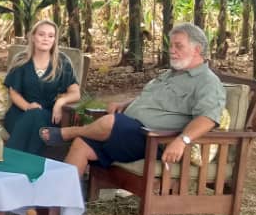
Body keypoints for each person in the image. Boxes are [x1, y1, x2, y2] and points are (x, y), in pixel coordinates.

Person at [40, 23, 227, 182]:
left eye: (179, 46)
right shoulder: (171, 74)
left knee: (111, 121)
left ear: (197, 49)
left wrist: (182, 140)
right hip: (129, 134)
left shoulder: (207, 81)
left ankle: (68, 133)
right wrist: (127, 103)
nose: (172, 50)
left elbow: (208, 118)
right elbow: (152, 99)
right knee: (82, 145)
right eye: (171, 46)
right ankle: (61, 206)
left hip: (154, 140)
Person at [2, 20, 81, 155]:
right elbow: (14, 93)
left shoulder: (62, 62)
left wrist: (60, 102)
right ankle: (30, 166)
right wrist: (28, 106)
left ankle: (9, 160)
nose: (46, 39)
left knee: (36, 117)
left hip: (49, 115)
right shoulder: (21, 60)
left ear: (55, 40)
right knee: (34, 118)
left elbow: (75, 93)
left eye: (51, 36)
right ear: (33, 37)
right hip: (19, 113)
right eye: (41, 34)